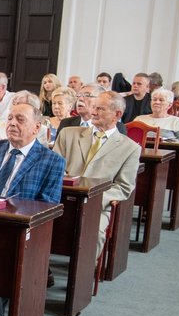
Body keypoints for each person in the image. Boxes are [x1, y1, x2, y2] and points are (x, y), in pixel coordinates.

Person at [0, 100, 65, 316]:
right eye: (10, 118)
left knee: (5, 249)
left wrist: (9, 210)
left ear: (37, 127)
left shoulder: (51, 161)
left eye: (20, 120)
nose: (12, 123)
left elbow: (47, 205)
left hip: (16, 225)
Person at [54, 91, 141, 261]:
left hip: (97, 205)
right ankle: (41, 270)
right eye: (94, 107)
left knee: (94, 234)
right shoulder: (68, 134)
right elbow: (54, 168)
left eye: (100, 109)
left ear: (117, 114)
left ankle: (83, 276)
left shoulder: (130, 148)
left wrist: (93, 199)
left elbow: (124, 187)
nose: (93, 112)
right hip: (61, 199)